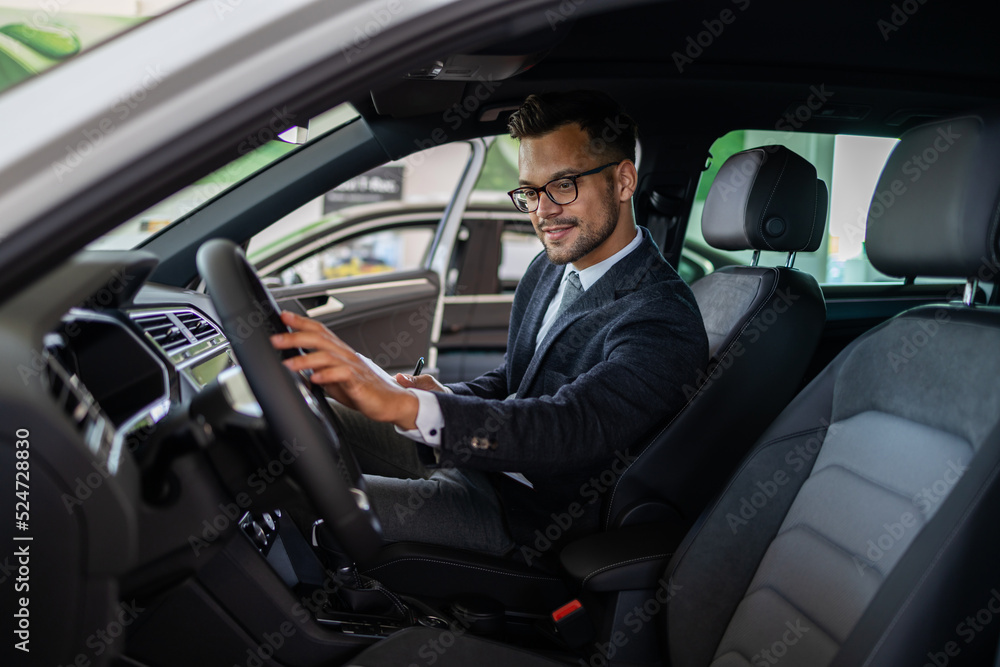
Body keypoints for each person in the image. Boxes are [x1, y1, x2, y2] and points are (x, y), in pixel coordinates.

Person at [270, 90, 708, 558]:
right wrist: (438, 397)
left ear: (623, 182)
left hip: (530, 518)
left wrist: (406, 407)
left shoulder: (662, 316)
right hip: (484, 462)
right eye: (530, 191)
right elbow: (517, 380)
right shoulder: (552, 268)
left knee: (302, 499)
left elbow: (571, 426)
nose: (542, 211)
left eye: (563, 185)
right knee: (299, 424)